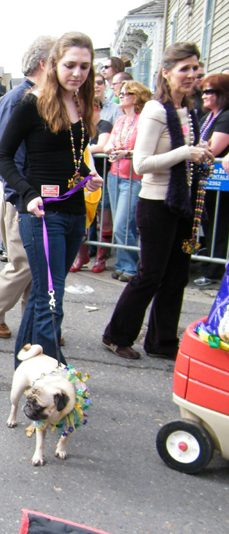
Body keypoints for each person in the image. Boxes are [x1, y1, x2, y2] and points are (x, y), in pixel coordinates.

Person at [0, 32, 103, 366]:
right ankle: (52, 374)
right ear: (55, 64)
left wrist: (87, 173)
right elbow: (3, 158)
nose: (77, 72)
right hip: (41, 214)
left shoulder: (79, 103)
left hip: (73, 212)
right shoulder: (32, 102)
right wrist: (26, 195)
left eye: (85, 66)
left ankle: (23, 368)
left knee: (47, 294)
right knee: (51, 298)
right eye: (70, 64)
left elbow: (67, 154)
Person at [102, 42, 212, 360]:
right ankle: (116, 335)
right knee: (150, 274)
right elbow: (141, 163)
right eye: (184, 69)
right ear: (166, 72)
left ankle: (162, 342)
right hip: (155, 204)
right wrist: (185, 152)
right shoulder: (155, 109)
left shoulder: (190, 111)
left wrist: (201, 154)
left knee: (177, 275)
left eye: (195, 67)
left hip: (181, 204)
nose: (192, 74)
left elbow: (184, 159)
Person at [0, 35, 56, 340]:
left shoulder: (37, 96)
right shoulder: (19, 99)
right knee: (24, 261)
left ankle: (35, 320)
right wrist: (20, 195)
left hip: (35, 194)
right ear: (44, 64)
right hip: (23, 195)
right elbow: (9, 154)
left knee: (38, 263)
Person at [104, 80, 151, 282]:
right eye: (120, 92)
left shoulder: (143, 120)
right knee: (121, 224)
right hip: (115, 175)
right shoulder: (121, 120)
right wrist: (112, 150)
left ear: (137, 96)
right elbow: (109, 144)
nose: (121, 95)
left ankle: (131, 267)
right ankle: (123, 264)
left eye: (126, 92)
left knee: (123, 224)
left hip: (134, 178)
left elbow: (145, 148)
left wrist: (128, 152)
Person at [194, 73, 229, 287]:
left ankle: (213, 270)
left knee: (218, 224)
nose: (204, 96)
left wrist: (196, 147)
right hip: (207, 180)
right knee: (207, 223)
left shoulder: (226, 116)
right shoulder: (208, 116)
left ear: (222, 94)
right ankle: (207, 264)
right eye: (203, 91)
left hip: (221, 183)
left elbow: (212, 148)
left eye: (209, 91)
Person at [70, 99, 113, 273]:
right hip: (83, 180)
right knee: (84, 218)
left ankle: (101, 258)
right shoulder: (80, 125)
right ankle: (83, 255)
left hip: (104, 176)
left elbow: (102, 145)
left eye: (93, 108)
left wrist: (87, 148)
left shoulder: (104, 125)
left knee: (105, 218)